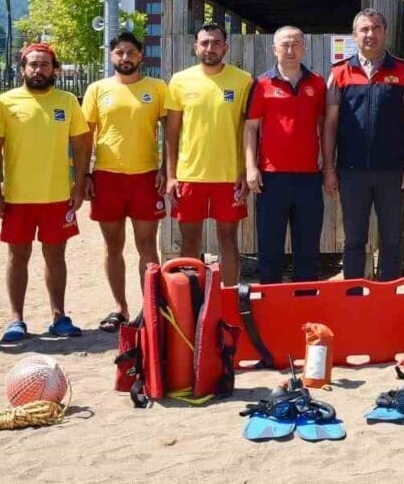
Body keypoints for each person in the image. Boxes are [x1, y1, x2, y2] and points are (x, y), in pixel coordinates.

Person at [0, 43, 91, 342]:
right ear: (22, 68)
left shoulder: (68, 101)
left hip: (57, 195)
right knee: (17, 256)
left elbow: (81, 144)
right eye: (33, 64)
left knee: (56, 256)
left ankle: (59, 316)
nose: (38, 70)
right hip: (17, 197)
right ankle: (16, 320)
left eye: (45, 64)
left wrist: (79, 183)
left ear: (55, 69)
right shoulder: (4, 103)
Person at [81, 31, 176, 332]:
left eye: (131, 52)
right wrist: (84, 174)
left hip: (146, 177)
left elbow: (171, 133)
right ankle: (119, 308)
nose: (125, 57)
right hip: (107, 177)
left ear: (140, 56)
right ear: (111, 56)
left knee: (147, 245)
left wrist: (166, 168)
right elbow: (85, 138)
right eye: (120, 52)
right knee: (113, 247)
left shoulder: (157, 88)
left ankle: (149, 307)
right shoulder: (97, 89)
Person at [322, 9, 404, 280]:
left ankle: (389, 296)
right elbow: (329, 124)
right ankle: (353, 294)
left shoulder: (403, 71)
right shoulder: (340, 72)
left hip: (393, 171)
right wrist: (329, 168)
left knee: (391, 238)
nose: (370, 34)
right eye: (364, 29)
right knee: (354, 239)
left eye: (376, 28)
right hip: (351, 171)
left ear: (385, 33)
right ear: (354, 35)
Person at [165, 23, 254, 287]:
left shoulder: (243, 80)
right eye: (204, 43)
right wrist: (171, 176)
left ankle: (228, 300)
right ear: (195, 47)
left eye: (216, 43)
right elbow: (171, 133)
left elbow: (250, 129)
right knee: (189, 240)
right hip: (189, 175)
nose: (210, 48)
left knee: (228, 239)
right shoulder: (180, 80)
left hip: (229, 176)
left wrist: (244, 169)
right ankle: (191, 299)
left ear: (225, 47)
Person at [244, 26, 328, 283]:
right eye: (284, 45)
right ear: (274, 49)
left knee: (308, 249)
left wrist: (328, 162)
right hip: (272, 177)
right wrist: (250, 167)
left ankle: (305, 305)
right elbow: (251, 127)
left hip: (309, 178)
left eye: (295, 44)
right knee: (270, 250)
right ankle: (271, 309)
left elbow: (325, 124)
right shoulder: (261, 83)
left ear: (304, 48)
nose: (290, 50)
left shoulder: (317, 82)